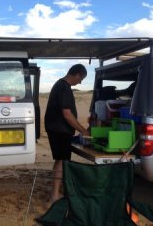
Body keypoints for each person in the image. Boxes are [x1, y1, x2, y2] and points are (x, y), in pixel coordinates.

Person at [45, 63, 90, 203]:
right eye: (81, 79)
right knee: (63, 161)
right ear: (77, 74)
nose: (80, 82)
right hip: (60, 129)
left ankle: (56, 191)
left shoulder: (59, 84)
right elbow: (67, 114)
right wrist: (84, 131)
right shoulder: (64, 87)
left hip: (56, 128)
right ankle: (54, 195)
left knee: (60, 159)